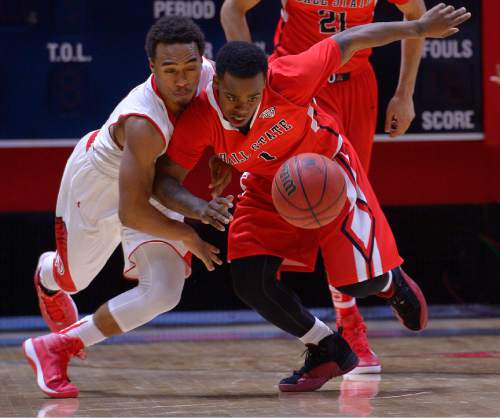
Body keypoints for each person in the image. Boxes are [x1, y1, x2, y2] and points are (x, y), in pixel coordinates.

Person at [156, 4, 470, 392]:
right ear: (216, 84)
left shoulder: (290, 75)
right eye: (232, 99)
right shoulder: (200, 115)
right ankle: (327, 348)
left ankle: (389, 281)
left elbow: (352, 38)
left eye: (251, 98)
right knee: (250, 281)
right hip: (266, 183)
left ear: (265, 84)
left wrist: (419, 27)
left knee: (358, 284)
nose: (240, 109)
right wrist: (199, 208)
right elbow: (165, 180)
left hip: (326, 169)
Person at [22, 16, 233, 399]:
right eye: (170, 71)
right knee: (73, 281)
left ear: (202, 60)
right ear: (152, 68)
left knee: (164, 292)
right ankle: (47, 275)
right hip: (100, 184)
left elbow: (225, 118)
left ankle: (54, 347)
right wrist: (188, 233)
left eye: (189, 67)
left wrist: (225, 153)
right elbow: (132, 213)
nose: (182, 80)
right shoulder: (143, 121)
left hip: (153, 186)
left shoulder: (209, 77)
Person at [220, 0, 427, 374]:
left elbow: (415, 13)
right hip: (301, 89)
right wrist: (254, 84)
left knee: (341, 207)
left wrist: (405, 93)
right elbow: (232, 8)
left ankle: (381, 281)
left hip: (357, 84)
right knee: (312, 204)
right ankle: (350, 326)